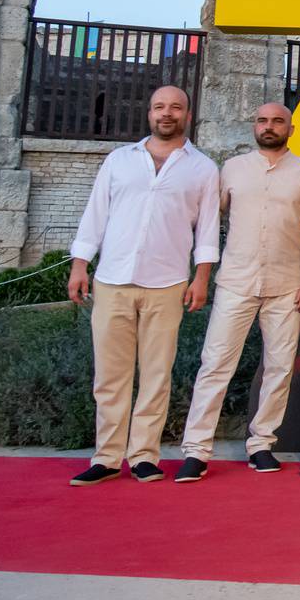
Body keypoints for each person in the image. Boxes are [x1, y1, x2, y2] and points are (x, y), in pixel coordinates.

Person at [66, 85, 220, 486]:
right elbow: (95, 214)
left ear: (187, 114)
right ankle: (107, 457)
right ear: (149, 112)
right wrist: (79, 266)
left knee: (156, 374)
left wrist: (201, 278)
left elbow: (206, 230)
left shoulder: (202, 168)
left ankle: (144, 456)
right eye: (158, 107)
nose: (165, 113)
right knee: (110, 376)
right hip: (112, 280)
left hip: (167, 282)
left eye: (174, 107)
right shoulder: (119, 160)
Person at [176, 102, 300, 480]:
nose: (269, 126)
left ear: (291, 128)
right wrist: (199, 272)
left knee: (279, 368)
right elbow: (210, 219)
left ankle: (261, 444)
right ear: (254, 126)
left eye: (277, 121)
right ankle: (196, 449)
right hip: (236, 282)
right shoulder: (233, 169)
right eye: (262, 120)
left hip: (287, 284)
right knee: (216, 364)